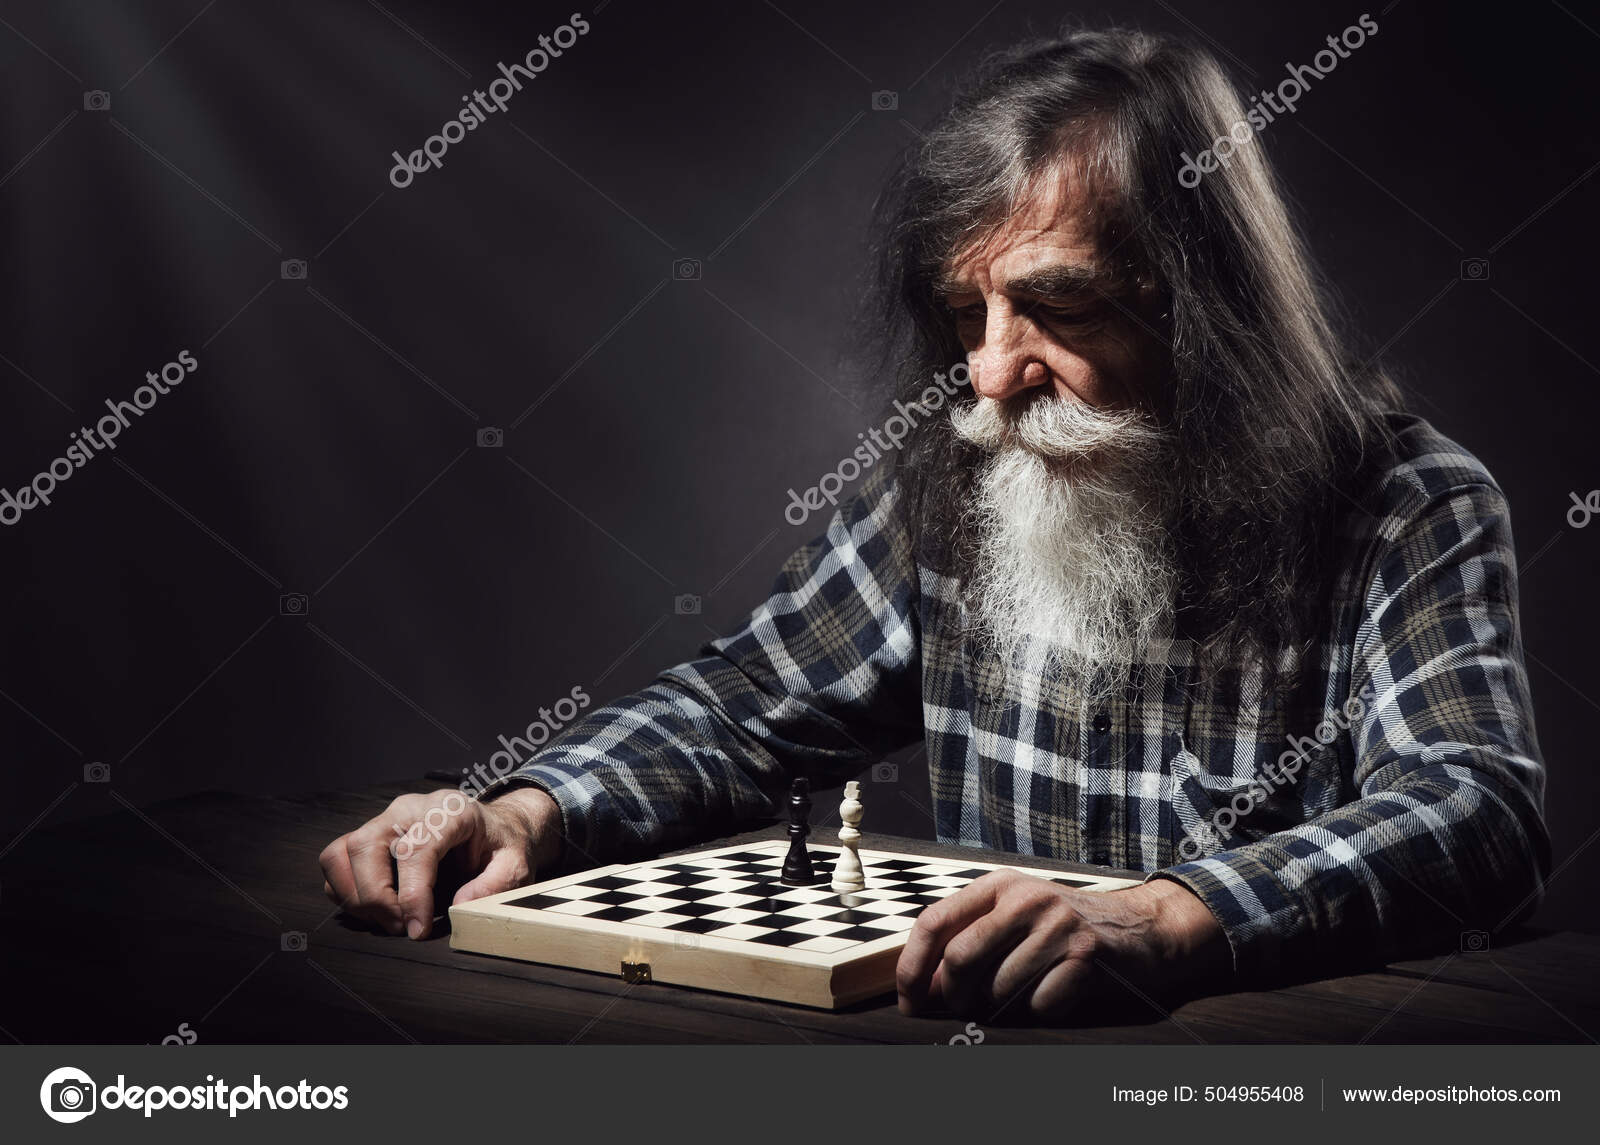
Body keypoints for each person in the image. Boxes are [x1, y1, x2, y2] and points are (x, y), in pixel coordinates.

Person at [320, 27, 1548, 1021]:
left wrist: (1172, 916)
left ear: (1206, 310)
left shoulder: (1405, 504)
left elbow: (1472, 805)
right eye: (967, 314)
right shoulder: (958, 482)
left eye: (1054, 306)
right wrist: (527, 810)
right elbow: (744, 707)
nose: (989, 377)